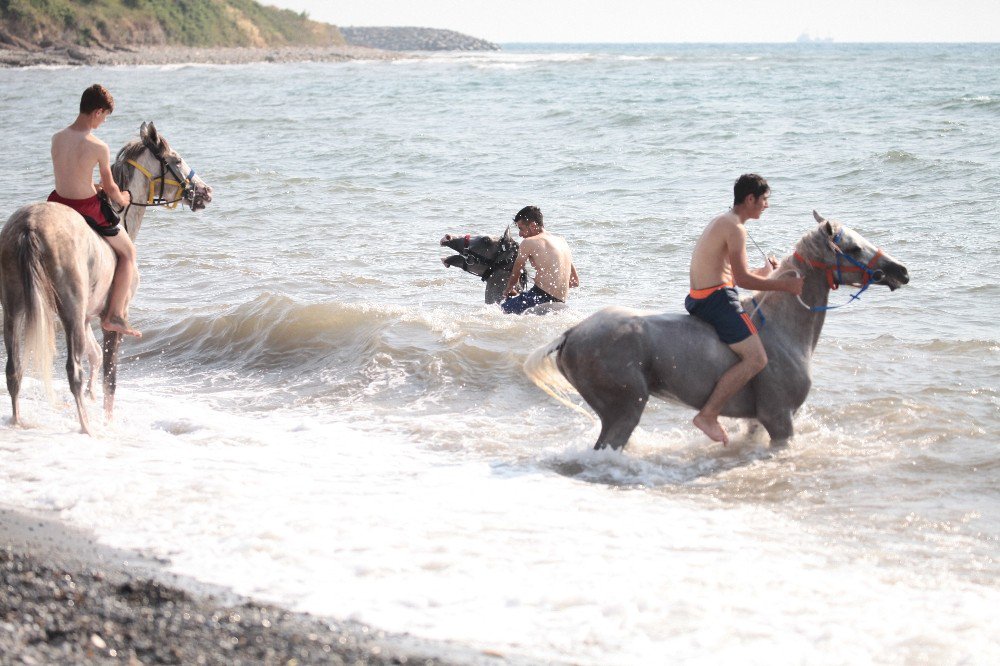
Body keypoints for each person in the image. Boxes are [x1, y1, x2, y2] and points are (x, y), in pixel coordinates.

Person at [685, 174, 803, 445]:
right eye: (764, 200)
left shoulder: (724, 220)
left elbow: (733, 274)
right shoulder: (735, 228)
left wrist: (765, 272)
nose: (766, 206)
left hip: (701, 296)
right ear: (750, 199)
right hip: (716, 301)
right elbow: (744, 282)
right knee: (757, 359)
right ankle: (709, 414)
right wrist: (789, 286)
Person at [49, 83, 140, 337]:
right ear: (98, 112)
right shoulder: (98, 146)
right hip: (86, 208)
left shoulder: (57, 137)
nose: (103, 123)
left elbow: (70, 174)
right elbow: (111, 188)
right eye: (105, 117)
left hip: (58, 202)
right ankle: (115, 316)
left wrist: (92, 186)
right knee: (129, 253)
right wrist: (123, 199)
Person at [501, 206, 580, 314]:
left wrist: (508, 289)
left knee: (501, 310)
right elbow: (575, 281)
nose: (520, 234)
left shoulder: (529, 242)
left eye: (521, 228)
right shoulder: (561, 241)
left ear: (533, 226)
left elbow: (516, 272)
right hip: (561, 300)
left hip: (540, 296)